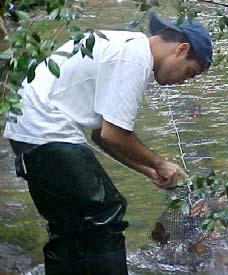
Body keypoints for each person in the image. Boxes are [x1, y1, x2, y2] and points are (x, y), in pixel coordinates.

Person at [3, 14, 212, 274]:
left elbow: (102, 135)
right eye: (189, 72)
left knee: (67, 228)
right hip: (46, 129)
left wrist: (149, 170)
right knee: (108, 210)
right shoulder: (135, 56)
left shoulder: (124, 45)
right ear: (181, 49)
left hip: (26, 132)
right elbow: (115, 134)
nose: (182, 81)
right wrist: (161, 163)